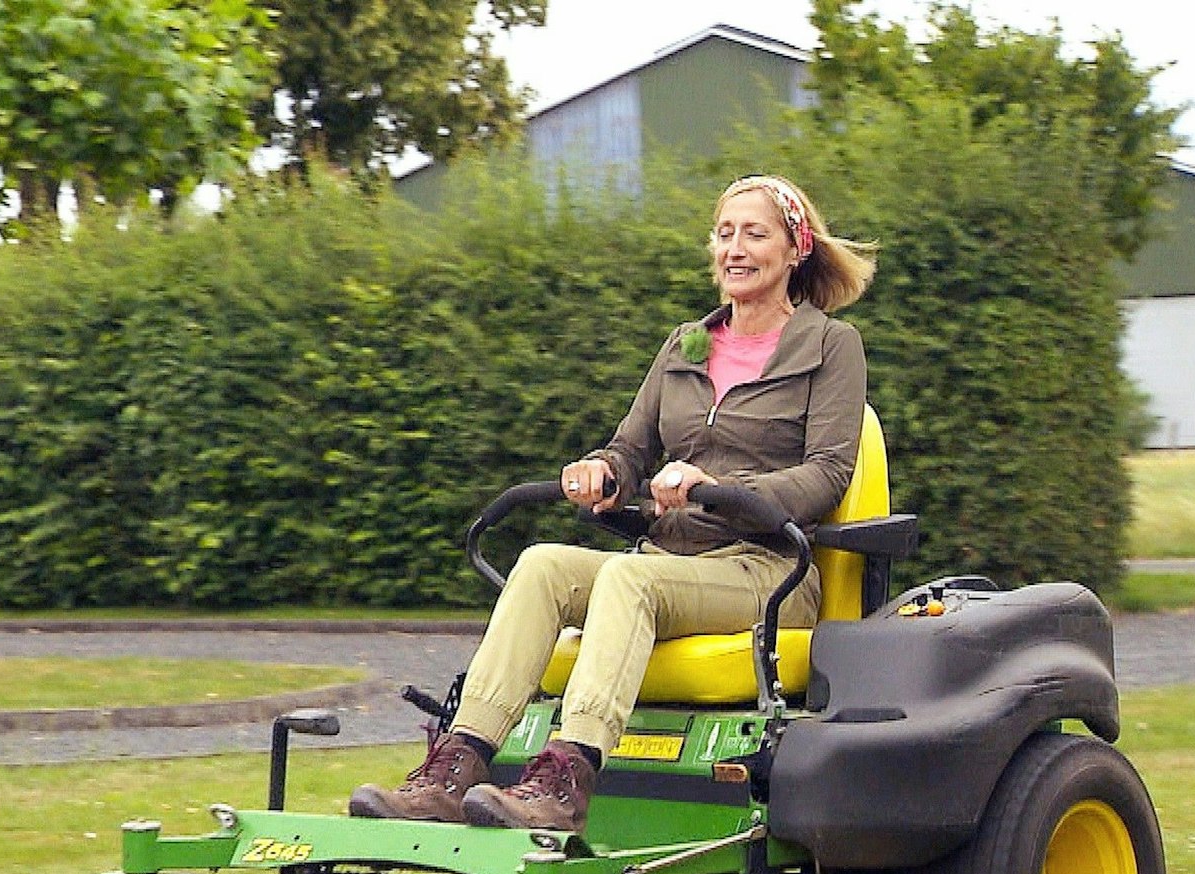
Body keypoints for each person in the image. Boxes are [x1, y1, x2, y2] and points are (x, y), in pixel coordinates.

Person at [351, 174, 878, 834]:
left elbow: (828, 474)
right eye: (724, 233)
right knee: (542, 563)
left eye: (755, 233)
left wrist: (720, 493)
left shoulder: (831, 344)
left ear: (796, 248)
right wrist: (601, 470)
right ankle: (455, 769)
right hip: (672, 560)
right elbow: (630, 449)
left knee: (628, 577)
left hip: (766, 569)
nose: (735, 248)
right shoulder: (686, 343)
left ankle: (566, 780)